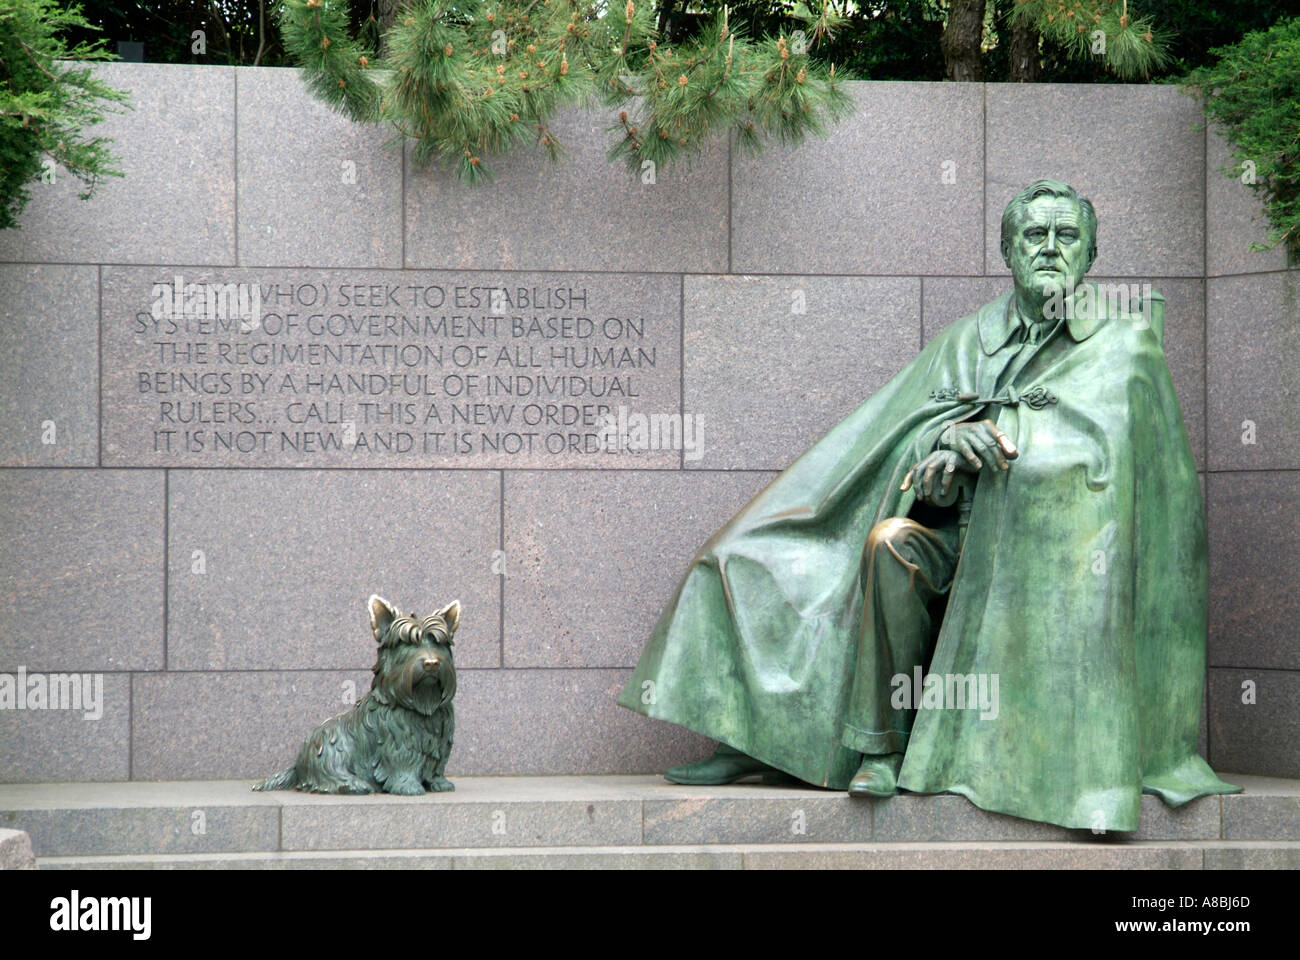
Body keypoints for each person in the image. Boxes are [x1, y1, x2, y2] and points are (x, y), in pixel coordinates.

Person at [617, 179, 1240, 832]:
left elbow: (1112, 468)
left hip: (1041, 563)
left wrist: (1004, 440)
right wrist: (942, 443)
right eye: (1034, 235)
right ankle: (792, 740)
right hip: (951, 537)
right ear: (1007, 250)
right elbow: (902, 431)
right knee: (798, 550)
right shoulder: (970, 338)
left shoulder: (1124, 342)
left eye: (1066, 236)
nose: (1050, 248)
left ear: (1090, 254)